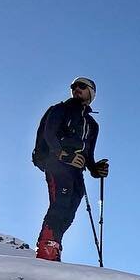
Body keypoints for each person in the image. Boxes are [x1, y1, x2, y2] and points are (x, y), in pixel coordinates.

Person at [32, 76, 109, 261]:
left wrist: (95, 169)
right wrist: (63, 155)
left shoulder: (92, 125)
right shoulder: (60, 109)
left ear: (91, 92)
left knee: (70, 210)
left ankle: (54, 245)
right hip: (57, 164)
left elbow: (88, 155)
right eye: (73, 86)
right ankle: (46, 248)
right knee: (60, 203)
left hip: (76, 170)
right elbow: (49, 134)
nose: (76, 89)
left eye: (81, 86)